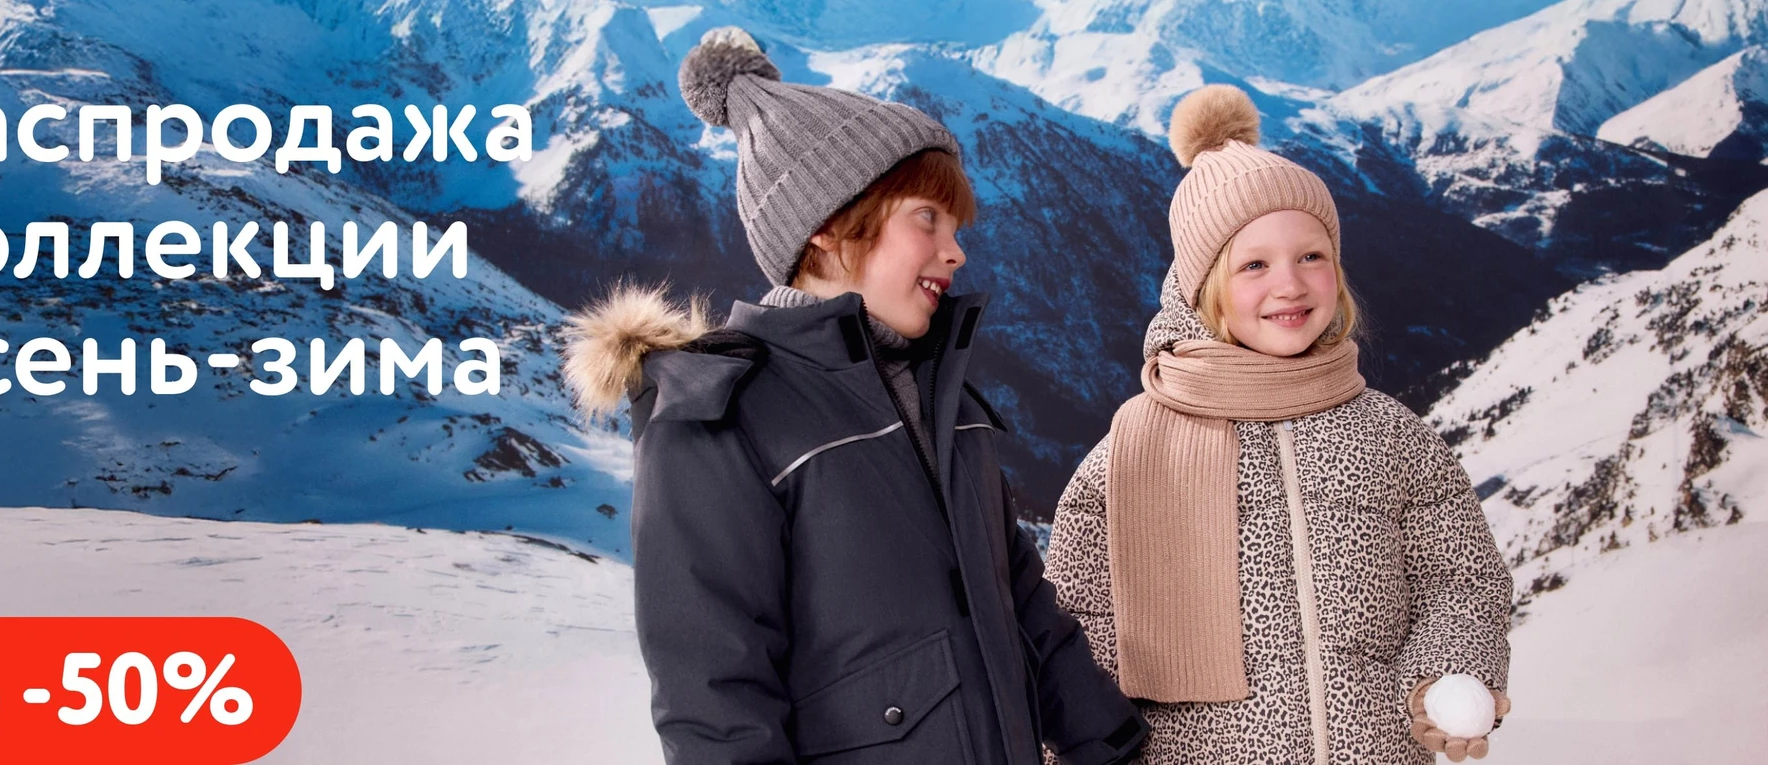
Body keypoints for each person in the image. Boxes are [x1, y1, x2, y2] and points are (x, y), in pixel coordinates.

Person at [562, 26, 1148, 765]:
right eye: (927, 217)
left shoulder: (947, 401)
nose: (956, 250)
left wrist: (1113, 744)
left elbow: (1025, 609)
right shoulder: (721, 419)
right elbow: (716, 703)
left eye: (955, 225)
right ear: (829, 228)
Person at [1043, 84, 1513, 765]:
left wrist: (1448, 672)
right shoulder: (1130, 454)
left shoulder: (1389, 435)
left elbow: (1460, 578)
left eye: (1311, 256)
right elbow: (1074, 641)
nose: (1289, 284)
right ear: (1205, 289)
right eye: (1254, 265)